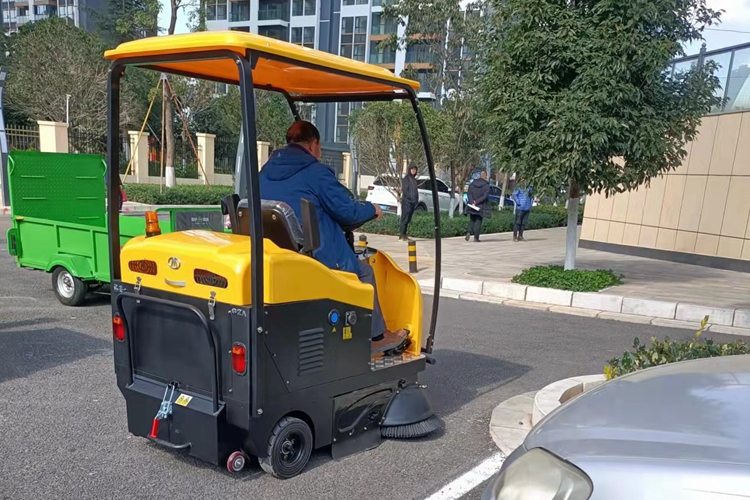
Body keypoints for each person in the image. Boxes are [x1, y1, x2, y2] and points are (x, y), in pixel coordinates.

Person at [259, 120, 407, 349]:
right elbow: (346, 211)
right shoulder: (316, 172)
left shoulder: (264, 172)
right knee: (364, 272)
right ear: (313, 144)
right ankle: (376, 337)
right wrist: (372, 210)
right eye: (319, 148)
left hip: (275, 254)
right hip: (315, 255)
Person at [465, 171, 491, 242]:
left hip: (472, 205)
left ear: (479, 176)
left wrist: (472, 201)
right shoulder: (486, 185)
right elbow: (485, 196)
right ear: (485, 176)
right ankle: (476, 238)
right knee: (478, 221)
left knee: (472, 219)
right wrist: (477, 202)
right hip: (480, 206)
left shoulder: (472, 184)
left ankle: (468, 232)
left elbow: (469, 193)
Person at [399, 164, 419, 241]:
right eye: (412, 169)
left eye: (415, 170)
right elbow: (406, 191)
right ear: (409, 170)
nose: (413, 171)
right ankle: (401, 235)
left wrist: (416, 201)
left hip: (412, 203)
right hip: (407, 202)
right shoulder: (406, 179)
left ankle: (404, 234)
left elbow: (415, 192)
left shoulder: (414, 180)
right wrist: (410, 199)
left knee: (408, 219)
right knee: (404, 218)